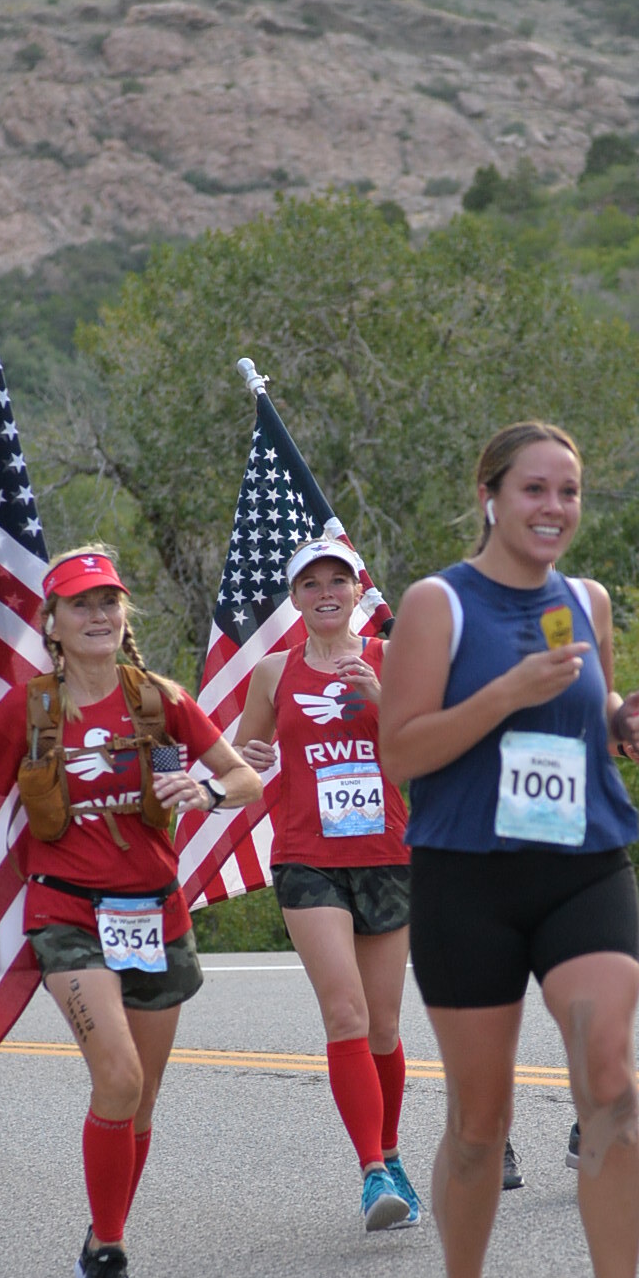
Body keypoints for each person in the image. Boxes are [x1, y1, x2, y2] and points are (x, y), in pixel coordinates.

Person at [378, 422, 639, 1278]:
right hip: (467, 879)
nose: (554, 508)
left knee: (610, 1079)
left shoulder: (586, 600)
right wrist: (505, 693)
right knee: (481, 1124)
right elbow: (400, 753)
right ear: (490, 496)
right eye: (534, 490)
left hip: (581, 866)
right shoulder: (438, 604)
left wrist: (624, 726)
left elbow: (589, 713)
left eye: (569, 492)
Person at [0, 545, 262, 1278]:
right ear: (52, 624)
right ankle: (113, 1260)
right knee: (117, 1079)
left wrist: (206, 789)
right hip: (67, 912)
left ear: (125, 615)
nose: (98, 615)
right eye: (80, 604)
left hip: (155, 914)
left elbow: (246, 777)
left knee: (140, 1100)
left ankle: (99, 1240)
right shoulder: (29, 711)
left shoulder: (159, 702)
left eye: (108, 601)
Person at [236, 525, 419, 1234]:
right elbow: (243, 764)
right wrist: (246, 761)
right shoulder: (272, 674)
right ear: (294, 598)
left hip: (386, 853)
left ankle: (392, 1152)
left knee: (383, 1026)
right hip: (307, 857)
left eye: (337, 580)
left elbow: (424, 750)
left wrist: (382, 696)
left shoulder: (390, 657)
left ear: (356, 589)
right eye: (310, 584)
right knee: (345, 1014)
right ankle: (372, 1173)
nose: (325, 593)